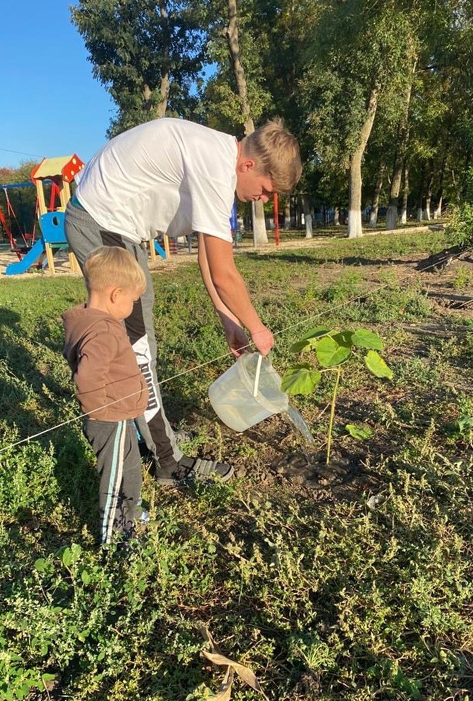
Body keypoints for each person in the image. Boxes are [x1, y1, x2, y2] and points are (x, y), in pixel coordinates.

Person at [65, 117, 302, 485]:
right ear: (250, 165)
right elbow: (226, 273)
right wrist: (257, 328)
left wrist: (229, 322)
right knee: (138, 346)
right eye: (267, 190)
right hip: (102, 220)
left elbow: (207, 259)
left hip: (114, 224)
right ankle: (167, 461)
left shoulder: (220, 160)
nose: (265, 199)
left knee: (136, 337)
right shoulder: (215, 165)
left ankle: (154, 437)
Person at [62, 246, 151, 546]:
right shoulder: (102, 332)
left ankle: (132, 511)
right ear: (115, 294)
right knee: (113, 475)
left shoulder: (96, 323)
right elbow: (87, 376)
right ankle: (113, 535)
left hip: (120, 415)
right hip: (108, 418)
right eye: (131, 300)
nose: (132, 305)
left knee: (129, 467)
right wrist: (100, 409)